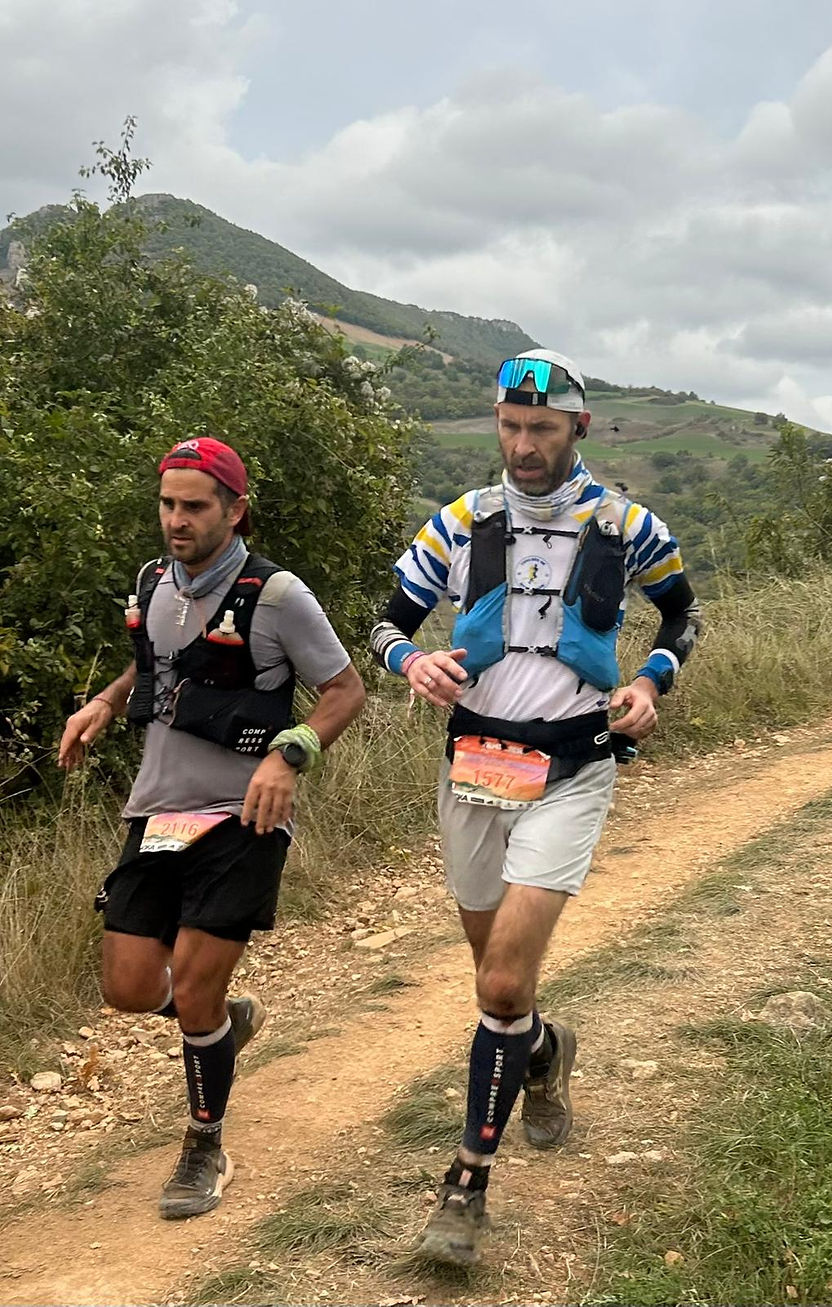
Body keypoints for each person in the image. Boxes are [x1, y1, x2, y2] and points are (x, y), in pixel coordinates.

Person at [370, 349, 701, 1264]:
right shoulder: (461, 520)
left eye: (542, 429)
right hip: (474, 765)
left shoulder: (627, 524)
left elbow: (683, 616)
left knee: (503, 982)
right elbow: (386, 621)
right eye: (510, 427)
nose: (522, 445)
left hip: (575, 765)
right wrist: (410, 659)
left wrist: (651, 681)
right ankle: (544, 1050)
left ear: (578, 428)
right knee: (498, 980)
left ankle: (465, 1187)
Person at [58, 436, 365, 1220]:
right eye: (167, 504)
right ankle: (222, 1026)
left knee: (195, 984)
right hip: (159, 810)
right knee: (128, 985)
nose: (176, 519)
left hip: (243, 815)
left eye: (194, 506)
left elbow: (344, 689)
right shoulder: (153, 583)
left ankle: (205, 1146)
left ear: (235, 510)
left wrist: (291, 756)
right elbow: (158, 663)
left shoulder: (278, 596)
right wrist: (103, 703)